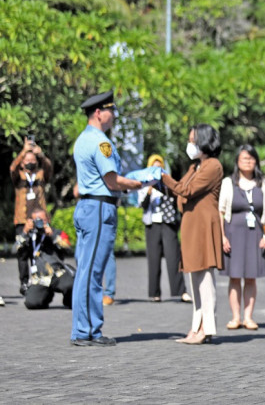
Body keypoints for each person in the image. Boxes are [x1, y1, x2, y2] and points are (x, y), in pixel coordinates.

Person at [71, 91, 142, 347]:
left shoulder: (82, 139)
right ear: (99, 113)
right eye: (111, 111)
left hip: (87, 207)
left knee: (85, 270)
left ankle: (84, 328)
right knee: (92, 271)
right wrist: (137, 183)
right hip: (100, 208)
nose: (114, 116)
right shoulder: (101, 142)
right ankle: (87, 330)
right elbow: (112, 180)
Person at [161, 124, 224, 345]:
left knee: (204, 279)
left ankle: (207, 327)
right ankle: (196, 326)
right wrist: (167, 184)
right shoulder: (196, 166)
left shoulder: (212, 166)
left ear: (204, 141)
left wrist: (163, 177)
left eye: (193, 140)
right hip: (191, 225)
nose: (190, 144)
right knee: (194, 278)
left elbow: (185, 190)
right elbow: (181, 190)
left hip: (203, 226)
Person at [219, 145, 265, 331]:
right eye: (244, 158)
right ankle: (235, 317)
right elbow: (220, 211)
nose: (248, 161)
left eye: (251, 158)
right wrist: (222, 237)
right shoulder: (228, 183)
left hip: (255, 236)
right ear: (237, 161)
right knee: (234, 277)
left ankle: (249, 317)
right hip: (233, 235)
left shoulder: (264, 184)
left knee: (251, 277)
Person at [138, 154, 190, 303]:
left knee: (173, 257)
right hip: (152, 224)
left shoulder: (168, 183)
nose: (157, 169)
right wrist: (149, 189)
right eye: (154, 166)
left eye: (159, 166)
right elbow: (143, 205)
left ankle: (180, 291)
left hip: (168, 223)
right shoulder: (144, 184)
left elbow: (176, 199)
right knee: (153, 259)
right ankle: (155, 292)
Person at [10, 136, 52, 296]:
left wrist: (39, 154)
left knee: (40, 250)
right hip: (22, 219)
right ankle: (24, 282)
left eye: (32, 159)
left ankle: (40, 279)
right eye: (27, 159)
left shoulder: (41, 175)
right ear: (22, 162)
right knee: (23, 252)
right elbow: (12, 168)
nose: (30, 161)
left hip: (40, 219)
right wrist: (24, 150)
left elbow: (49, 167)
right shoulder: (18, 177)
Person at [18, 207, 75, 309]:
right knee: (32, 304)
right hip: (40, 278)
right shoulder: (30, 237)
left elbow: (68, 249)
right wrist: (25, 232)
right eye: (36, 220)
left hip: (58, 273)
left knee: (71, 284)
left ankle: (68, 299)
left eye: (42, 220)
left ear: (48, 219)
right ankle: (45, 296)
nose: (39, 223)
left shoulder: (56, 232)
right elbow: (15, 250)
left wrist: (52, 236)